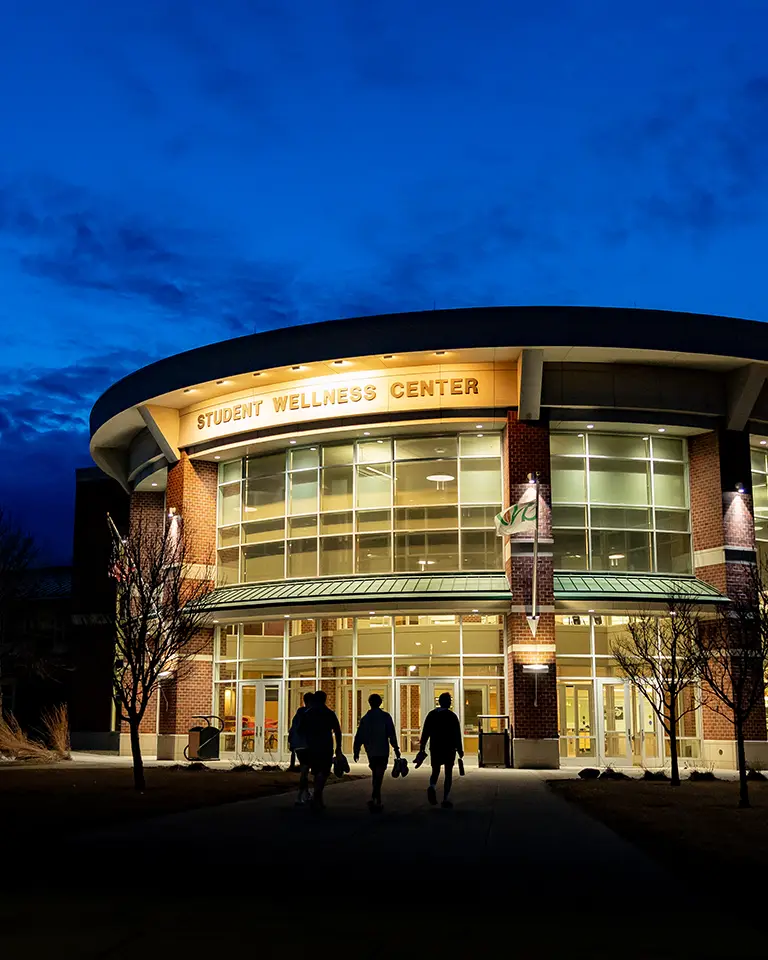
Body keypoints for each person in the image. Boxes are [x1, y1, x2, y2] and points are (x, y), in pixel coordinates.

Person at [353, 693, 400, 813]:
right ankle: (376, 797)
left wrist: (356, 750)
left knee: (376, 773)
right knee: (379, 774)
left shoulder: (365, 718)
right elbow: (391, 734)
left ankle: (376, 797)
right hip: (382, 750)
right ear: (380, 703)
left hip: (371, 751)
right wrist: (396, 748)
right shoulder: (385, 717)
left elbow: (359, 736)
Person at [299, 689, 343, 811]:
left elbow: (300, 729)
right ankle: (317, 796)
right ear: (324, 699)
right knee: (323, 772)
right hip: (325, 746)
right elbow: (337, 731)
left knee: (316, 771)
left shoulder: (308, 714)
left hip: (312, 746)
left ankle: (318, 797)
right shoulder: (329, 713)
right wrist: (338, 747)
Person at [419, 692, 464, 808]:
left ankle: (432, 786)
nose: (450, 702)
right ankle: (445, 798)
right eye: (449, 700)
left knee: (435, 771)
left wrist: (422, 747)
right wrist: (460, 749)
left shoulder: (432, 715)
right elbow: (456, 734)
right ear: (446, 702)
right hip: (449, 748)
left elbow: (425, 732)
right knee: (448, 773)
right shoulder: (452, 716)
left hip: (435, 747)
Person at [288, 691, 314, 804]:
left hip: (298, 746)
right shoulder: (309, 714)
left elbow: (292, 730)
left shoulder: (298, 715)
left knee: (305, 771)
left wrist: (292, 744)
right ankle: (299, 796)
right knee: (305, 772)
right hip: (306, 746)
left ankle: (306, 793)